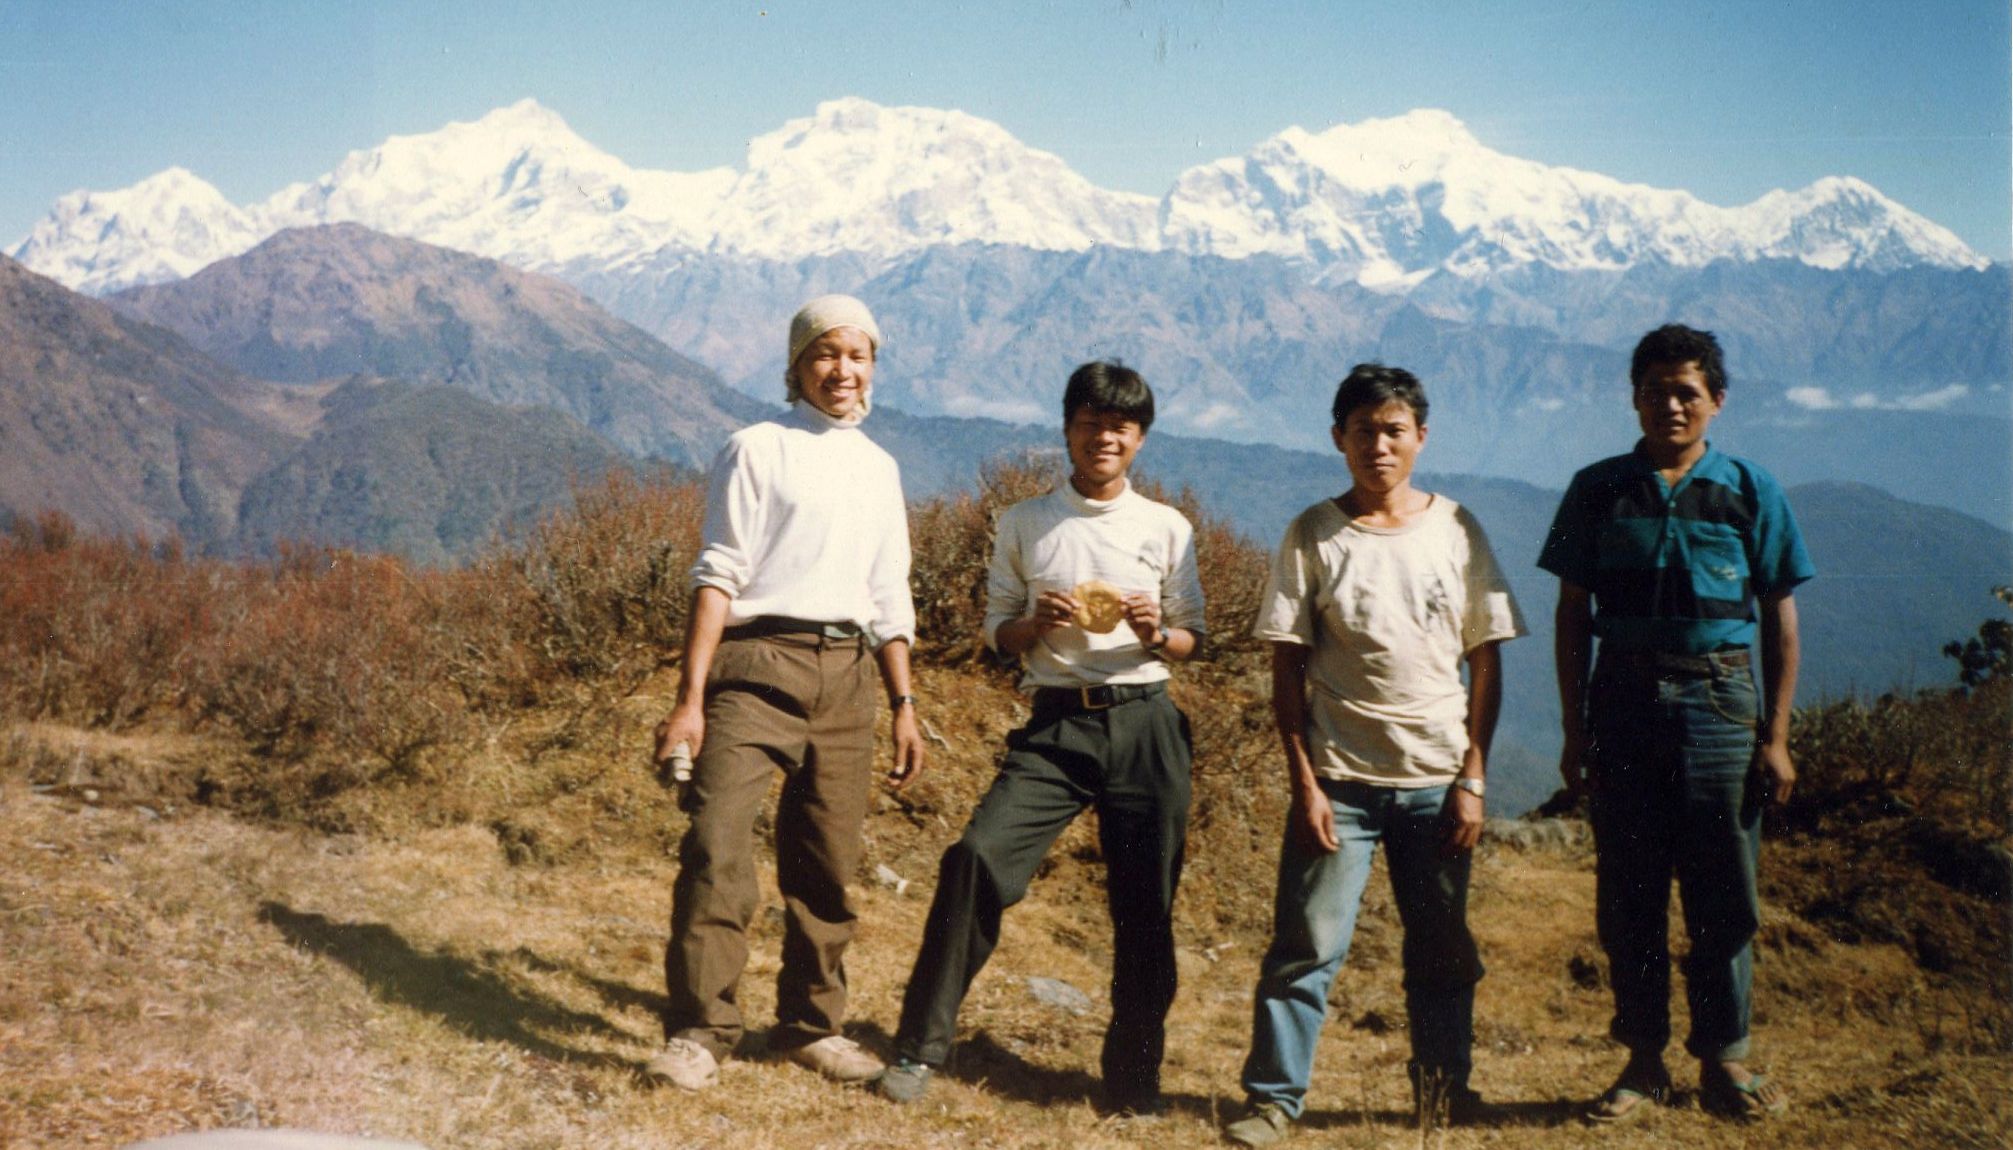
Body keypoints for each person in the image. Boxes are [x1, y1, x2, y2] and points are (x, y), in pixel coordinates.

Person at [876, 361, 1206, 1115]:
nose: (1104, 438)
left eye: (1119, 426)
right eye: (1090, 423)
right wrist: (1036, 625)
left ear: (1140, 439)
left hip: (1146, 719)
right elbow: (998, 632)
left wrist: (1159, 632)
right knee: (974, 858)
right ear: (1066, 430)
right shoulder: (1025, 521)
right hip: (1055, 722)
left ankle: (1131, 1080)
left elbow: (1194, 636)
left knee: (1146, 902)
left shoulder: (1166, 527)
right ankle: (917, 1049)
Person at [1223, 364, 1524, 1147]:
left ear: (1420, 439)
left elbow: (1486, 658)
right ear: (1338, 440)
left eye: (1394, 431)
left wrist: (1474, 776)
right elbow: (1285, 664)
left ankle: (1444, 1091)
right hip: (1341, 782)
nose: (1378, 447)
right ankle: (1273, 1102)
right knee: (1306, 947)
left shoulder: (1456, 529)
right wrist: (1305, 783)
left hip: (1436, 778)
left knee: (1442, 947)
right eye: (1363, 431)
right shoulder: (1314, 533)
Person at [645, 294, 926, 1092]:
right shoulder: (756, 447)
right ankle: (700, 1030)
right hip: (756, 664)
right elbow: (719, 574)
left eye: (858, 355)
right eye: (825, 355)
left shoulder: (879, 467)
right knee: (716, 843)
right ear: (797, 365)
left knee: (827, 863)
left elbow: (887, 594)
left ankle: (811, 1026)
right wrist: (690, 701)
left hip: (847, 677)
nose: (843, 371)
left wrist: (903, 703)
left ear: (874, 365)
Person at [1539, 323, 1813, 1122]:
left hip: (1722, 707)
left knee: (1724, 888)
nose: (1670, 405)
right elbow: (1569, 612)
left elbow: (1780, 617)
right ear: (1633, 397)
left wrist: (1778, 735)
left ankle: (1725, 1060)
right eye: (1655, 390)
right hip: (1620, 702)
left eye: (1686, 392)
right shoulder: (1596, 489)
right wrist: (1571, 728)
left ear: (1715, 401)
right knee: (1629, 890)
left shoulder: (1750, 489)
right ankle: (1641, 1062)